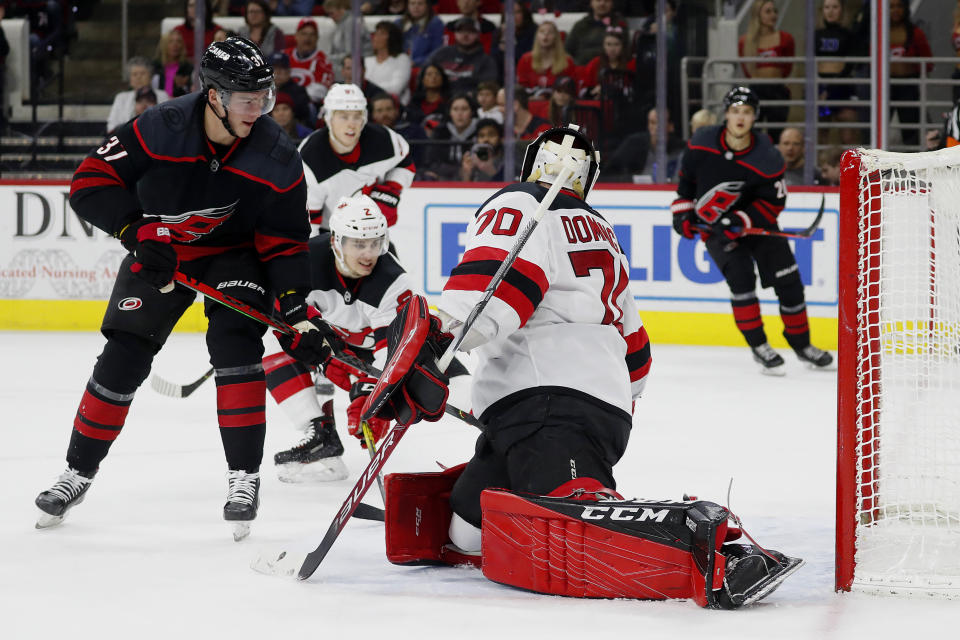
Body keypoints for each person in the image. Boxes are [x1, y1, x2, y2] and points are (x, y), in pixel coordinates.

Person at [35, 36, 312, 540]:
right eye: (249, 99)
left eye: (265, 97)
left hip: (235, 255)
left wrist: (295, 307)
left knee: (235, 346)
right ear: (214, 97)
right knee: (124, 354)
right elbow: (90, 180)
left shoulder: (276, 153)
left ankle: (243, 477)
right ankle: (76, 472)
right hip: (162, 248)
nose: (262, 109)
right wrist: (134, 229)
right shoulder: (162, 127)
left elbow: (287, 239)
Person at [671, 87, 833, 374]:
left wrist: (743, 220)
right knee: (742, 282)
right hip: (718, 231)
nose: (740, 118)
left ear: (754, 116)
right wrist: (683, 212)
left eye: (746, 112)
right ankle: (760, 346)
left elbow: (775, 201)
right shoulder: (702, 142)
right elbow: (686, 183)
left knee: (790, 284)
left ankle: (802, 345)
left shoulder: (767, 156)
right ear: (726, 115)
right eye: (735, 111)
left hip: (758, 227)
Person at [264, 195, 414, 481]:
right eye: (359, 244)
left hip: (368, 359)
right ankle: (320, 433)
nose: (369, 253)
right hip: (335, 346)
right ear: (336, 241)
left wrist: (377, 396)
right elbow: (280, 305)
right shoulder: (306, 259)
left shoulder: (394, 281)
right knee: (271, 339)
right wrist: (307, 330)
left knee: (376, 403)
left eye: (374, 243)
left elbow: (392, 352)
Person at [298, 83, 415, 229]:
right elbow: (309, 223)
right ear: (329, 119)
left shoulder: (384, 140)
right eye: (343, 117)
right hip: (329, 235)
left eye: (356, 116)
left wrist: (389, 192)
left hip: (372, 234)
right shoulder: (310, 158)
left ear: (364, 118)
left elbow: (405, 162)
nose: (351, 124)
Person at [738, 0, 795, 141]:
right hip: (757, 90)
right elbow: (747, 70)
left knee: (776, 134)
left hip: (777, 90)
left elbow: (787, 68)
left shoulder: (786, 38)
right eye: (768, 11)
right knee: (752, 133)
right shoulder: (745, 41)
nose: (773, 15)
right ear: (758, 15)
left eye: (775, 11)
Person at [888, 0, 932, 148]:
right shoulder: (878, 34)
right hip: (884, 86)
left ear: (905, 8)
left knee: (911, 132)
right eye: (891, 7)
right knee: (875, 126)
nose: (895, 10)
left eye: (899, 6)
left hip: (908, 86)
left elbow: (928, 62)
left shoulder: (915, 33)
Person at [815, 0, 859, 145]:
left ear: (841, 10)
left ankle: (850, 166)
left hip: (841, 86)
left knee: (848, 136)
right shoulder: (816, 35)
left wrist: (833, 86)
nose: (831, 11)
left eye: (835, 7)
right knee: (820, 134)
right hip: (820, 86)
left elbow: (850, 63)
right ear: (822, 10)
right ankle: (820, 166)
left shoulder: (849, 34)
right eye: (827, 7)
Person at [604, 106, 684, 183]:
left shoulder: (680, 149)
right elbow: (608, 172)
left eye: (660, 123)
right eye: (652, 123)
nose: (656, 128)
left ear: (671, 126)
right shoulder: (634, 144)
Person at [426, 17, 498, 96]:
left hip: (470, 103)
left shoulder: (486, 61)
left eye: (470, 31)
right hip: (440, 100)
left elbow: (487, 89)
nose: (465, 35)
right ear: (455, 34)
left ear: (478, 35)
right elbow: (424, 76)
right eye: (461, 31)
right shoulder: (441, 54)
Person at [421, 93, 478, 181]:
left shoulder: (479, 131)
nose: (460, 114)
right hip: (445, 181)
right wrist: (459, 171)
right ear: (450, 112)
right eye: (455, 109)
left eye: (464, 109)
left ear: (472, 112)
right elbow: (431, 163)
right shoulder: (440, 132)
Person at [107, 57, 171, 133]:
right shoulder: (121, 97)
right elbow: (111, 126)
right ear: (129, 79)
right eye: (134, 74)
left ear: (150, 77)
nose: (139, 77)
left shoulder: (162, 95)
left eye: (143, 73)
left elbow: (168, 123)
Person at [516, 21, 575, 98]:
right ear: (537, 36)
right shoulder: (526, 59)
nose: (545, 35)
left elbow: (569, 89)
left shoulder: (567, 61)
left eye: (550, 32)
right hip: (530, 103)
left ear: (556, 37)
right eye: (542, 32)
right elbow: (521, 88)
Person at [284, 18, 336, 104]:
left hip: (307, 106)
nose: (307, 38)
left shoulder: (324, 62)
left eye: (312, 35)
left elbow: (319, 92)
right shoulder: (284, 56)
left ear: (317, 38)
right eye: (304, 34)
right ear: (296, 36)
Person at [371, 92, 428, 166]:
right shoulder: (367, 134)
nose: (384, 114)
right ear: (373, 114)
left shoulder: (415, 131)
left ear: (396, 111)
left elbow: (424, 158)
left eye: (389, 109)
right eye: (379, 110)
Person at [565, 0, 629, 66]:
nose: (602, 3)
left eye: (606, 1)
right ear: (591, 2)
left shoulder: (619, 23)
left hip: (609, 69)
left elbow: (625, 50)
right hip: (582, 68)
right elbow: (567, 49)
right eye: (598, 0)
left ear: (612, 3)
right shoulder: (581, 25)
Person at [578, 26, 634, 99]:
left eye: (616, 44)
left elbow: (636, 91)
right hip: (599, 105)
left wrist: (610, 90)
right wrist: (593, 91)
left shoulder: (631, 64)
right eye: (608, 44)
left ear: (623, 46)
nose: (612, 49)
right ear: (603, 46)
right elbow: (582, 90)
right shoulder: (596, 62)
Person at [365, 21, 412, 105]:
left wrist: (369, 88)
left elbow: (396, 89)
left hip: (394, 105)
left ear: (392, 37)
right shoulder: (367, 61)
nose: (376, 37)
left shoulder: (402, 59)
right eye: (376, 34)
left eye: (382, 34)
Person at [324, 0, 372, 78]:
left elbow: (350, 53)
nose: (331, 17)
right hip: (344, 63)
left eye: (332, 13)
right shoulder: (340, 25)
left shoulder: (351, 22)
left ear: (341, 9)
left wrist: (328, 59)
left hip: (358, 64)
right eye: (328, 14)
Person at [397, 0, 445, 67]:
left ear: (427, 6)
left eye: (420, 3)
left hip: (423, 67)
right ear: (407, 6)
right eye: (412, 3)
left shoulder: (435, 24)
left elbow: (437, 52)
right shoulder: (399, 23)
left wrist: (416, 62)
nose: (416, 7)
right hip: (400, 65)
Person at [270, 51, 312, 126]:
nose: (277, 72)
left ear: (289, 71)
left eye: (282, 68)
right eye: (274, 68)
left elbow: (303, 117)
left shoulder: (299, 91)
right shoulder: (261, 90)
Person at [405, 63, 450, 127]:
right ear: (422, 79)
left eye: (437, 74)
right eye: (429, 74)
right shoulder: (414, 103)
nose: (434, 77)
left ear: (443, 79)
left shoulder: (449, 102)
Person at [153, 30, 188, 99]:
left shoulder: (187, 67)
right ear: (164, 45)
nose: (175, 45)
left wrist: (183, 87)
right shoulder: (155, 66)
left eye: (178, 41)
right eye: (170, 41)